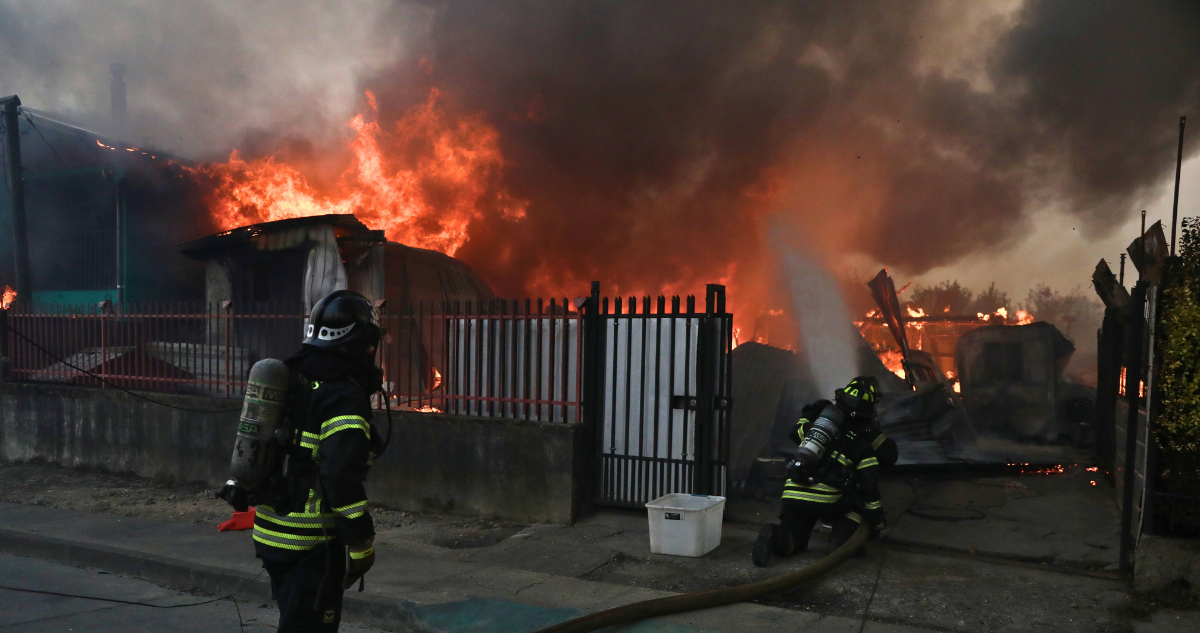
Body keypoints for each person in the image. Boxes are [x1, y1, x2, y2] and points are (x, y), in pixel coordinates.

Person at [223, 290, 384, 631]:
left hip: (270, 533)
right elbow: (340, 474)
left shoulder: (290, 375)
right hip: (311, 543)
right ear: (361, 342)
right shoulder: (342, 394)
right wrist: (359, 542)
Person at [752, 376, 896, 567]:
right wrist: (876, 518)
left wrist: (810, 413)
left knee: (795, 541)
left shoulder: (817, 430)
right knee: (857, 503)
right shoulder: (861, 443)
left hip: (793, 493)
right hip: (828, 500)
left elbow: (795, 432)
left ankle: (777, 536)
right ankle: (843, 542)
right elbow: (870, 484)